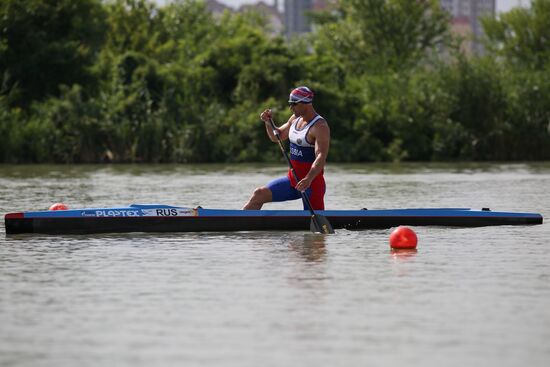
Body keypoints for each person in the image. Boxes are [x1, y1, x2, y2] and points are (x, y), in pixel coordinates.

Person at [243, 86, 330, 210]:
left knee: (310, 222)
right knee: (259, 195)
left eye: (293, 104)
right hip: (292, 181)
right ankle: (237, 223)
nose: (290, 107)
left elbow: (321, 157)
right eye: (290, 103)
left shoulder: (320, 126)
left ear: (306, 103)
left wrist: (308, 179)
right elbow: (276, 136)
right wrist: (268, 123)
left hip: (312, 184)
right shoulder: (294, 119)